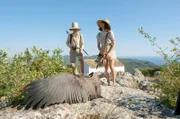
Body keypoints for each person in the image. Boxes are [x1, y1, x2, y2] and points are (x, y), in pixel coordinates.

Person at [96, 19, 117, 86]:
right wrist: (101, 51)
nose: (101, 24)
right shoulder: (98, 34)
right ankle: (108, 82)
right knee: (105, 67)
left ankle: (113, 82)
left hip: (110, 50)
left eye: (103, 23)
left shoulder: (110, 33)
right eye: (101, 23)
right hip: (103, 51)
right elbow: (98, 46)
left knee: (111, 67)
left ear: (106, 24)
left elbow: (114, 44)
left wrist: (110, 53)